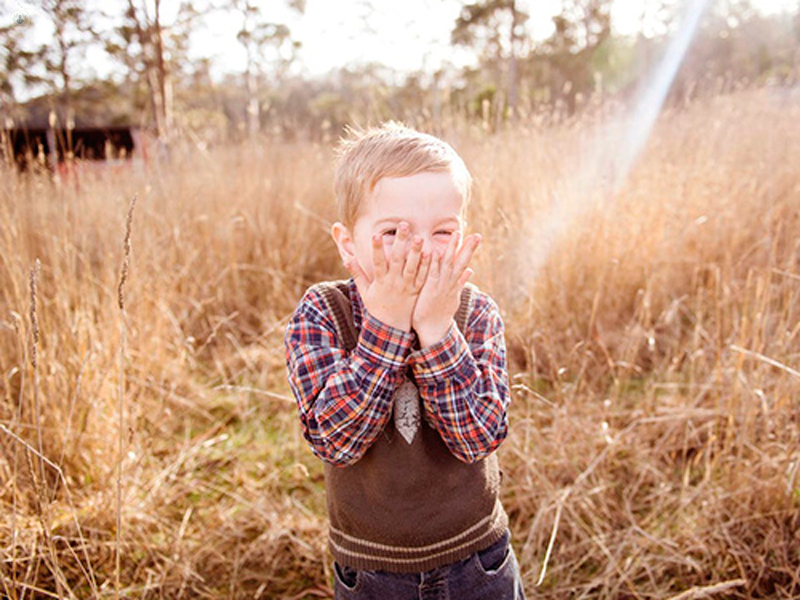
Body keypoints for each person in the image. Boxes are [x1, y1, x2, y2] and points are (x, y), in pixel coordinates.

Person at [284, 122, 526, 599]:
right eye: (393, 230)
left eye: (442, 231)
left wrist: (437, 331)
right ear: (347, 243)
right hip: (373, 573)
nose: (418, 248)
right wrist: (387, 327)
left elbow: (479, 437)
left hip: (478, 560)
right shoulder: (323, 313)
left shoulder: (475, 312)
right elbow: (337, 441)